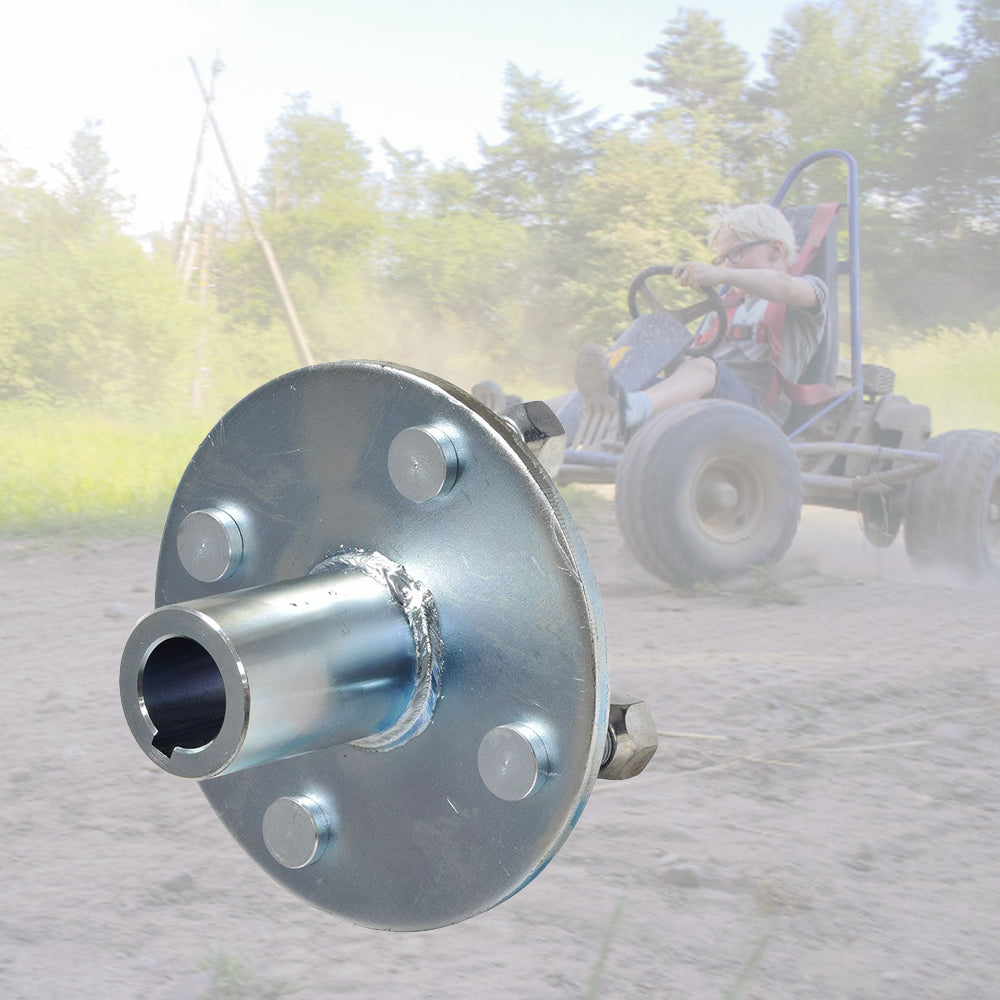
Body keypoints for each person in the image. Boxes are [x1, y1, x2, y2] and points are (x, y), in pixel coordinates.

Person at [575, 203, 828, 431]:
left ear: (775, 249)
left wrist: (721, 275)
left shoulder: (806, 291)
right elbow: (691, 361)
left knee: (704, 367)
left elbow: (785, 287)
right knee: (627, 378)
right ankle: (547, 425)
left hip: (760, 413)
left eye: (735, 254)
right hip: (709, 398)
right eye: (722, 258)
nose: (727, 265)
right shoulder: (724, 305)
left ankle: (627, 410)